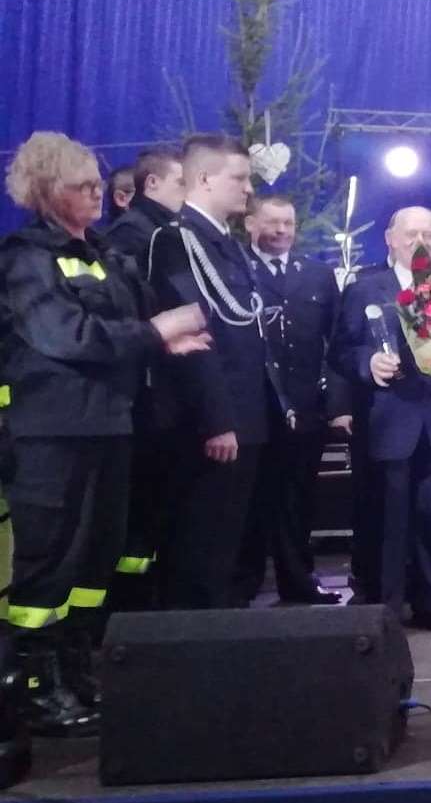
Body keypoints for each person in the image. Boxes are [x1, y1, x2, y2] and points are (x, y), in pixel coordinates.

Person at [1, 131, 209, 735]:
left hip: (112, 425)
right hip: (51, 433)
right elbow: (66, 335)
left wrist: (165, 341)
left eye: (97, 183)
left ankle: (75, 671)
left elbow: (131, 325)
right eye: (82, 186)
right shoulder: (25, 258)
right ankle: (35, 688)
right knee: (49, 561)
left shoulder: (103, 254)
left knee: (95, 560)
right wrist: (157, 332)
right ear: (46, 190)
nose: (97, 194)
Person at [332, 206, 431, 632]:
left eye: (429, 234)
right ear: (390, 238)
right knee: (385, 519)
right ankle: (384, 606)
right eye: (411, 233)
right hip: (387, 422)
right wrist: (368, 363)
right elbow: (340, 352)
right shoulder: (365, 288)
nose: (420, 241)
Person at [147, 134, 275, 610]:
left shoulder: (225, 244)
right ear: (203, 178)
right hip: (212, 422)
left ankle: (221, 631)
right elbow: (193, 338)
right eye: (239, 178)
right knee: (200, 545)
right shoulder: (177, 240)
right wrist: (216, 420)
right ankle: (194, 640)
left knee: (229, 543)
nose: (248, 189)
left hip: (246, 416)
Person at [233, 194, 352, 605]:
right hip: (253, 408)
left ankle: (298, 581)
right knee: (247, 499)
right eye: (272, 222)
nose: (281, 231)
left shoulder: (317, 275)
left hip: (304, 411)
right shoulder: (235, 270)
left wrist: (338, 406)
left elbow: (337, 345)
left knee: (298, 499)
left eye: (288, 223)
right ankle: (242, 585)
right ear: (250, 224)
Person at [100, 145, 186, 612]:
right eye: (180, 183)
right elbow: (128, 313)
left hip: (159, 395)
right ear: (151, 184)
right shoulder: (135, 234)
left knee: (153, 511)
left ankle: (145, 602)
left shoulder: (162, 231)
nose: (187, 193)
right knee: (138, 513)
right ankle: (128, 610)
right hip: (142, 396)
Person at [100, 146, 185, 272]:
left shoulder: (175, 224)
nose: (188, 190)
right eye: (181, 183)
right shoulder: (128, 230)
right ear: (152, 182)